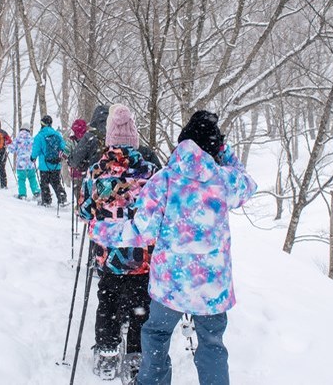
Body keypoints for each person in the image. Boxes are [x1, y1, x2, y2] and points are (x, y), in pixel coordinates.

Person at [92, 111, 257, 385]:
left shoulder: (165, 179)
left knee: (156, 334)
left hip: (171, 284)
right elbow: (249, 183)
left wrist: (104, 231)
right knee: (213, 344)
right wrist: (224, 152)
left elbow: (141, 230)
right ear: (213, 148)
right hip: (211, 287)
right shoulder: (223, 180)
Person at [78, 104, 157, 382]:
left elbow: (85, 210)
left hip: (108, 255)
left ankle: (108, 353)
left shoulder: (96, 172)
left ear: (109, 140)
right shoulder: (150, 172)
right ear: (134, 141)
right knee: (140, 304)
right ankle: (135, 355)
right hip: (141, 255)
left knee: (108, 300)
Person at [30, 115, 67, 207]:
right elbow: (63, 147)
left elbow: (36, 150)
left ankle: (46, 201)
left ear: (42, 124)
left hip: (44, 165)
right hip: (56, 164)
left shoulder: (39, 136)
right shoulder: (57, 134)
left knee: (44, 183)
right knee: (56, 182)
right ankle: (62, 197)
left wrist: (33, 157)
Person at [68, 105, 109, 174]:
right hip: (117, 180)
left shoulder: (89, 137)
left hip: (95, 176)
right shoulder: (117, 136)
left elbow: (74, 161)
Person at [7, 123, 40, 200]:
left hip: (21, 164)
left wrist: (8, 145)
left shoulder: (17, 139)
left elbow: (11, 149)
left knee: (21, 180)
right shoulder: (31, 139)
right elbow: (36, 149)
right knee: (32, 178)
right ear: (28, 130)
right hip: (30, 163)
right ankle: (36, 192)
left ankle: (22, 194)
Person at [64, 118, 88, 203]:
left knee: (77, 190)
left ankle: (79, 206)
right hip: (87, 171)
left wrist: (67, 159)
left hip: (75, 171)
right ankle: (86, 207)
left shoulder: (71, 140)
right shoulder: (89, 139)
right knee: (87, 191)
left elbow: (65, 154)